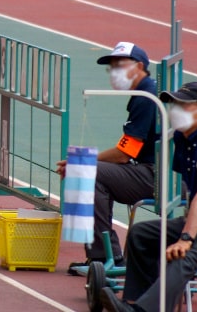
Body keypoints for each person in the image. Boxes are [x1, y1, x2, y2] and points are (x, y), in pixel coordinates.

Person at [101, 82, 197, 312]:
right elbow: (189, 186)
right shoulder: (183, 138)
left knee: (184, 254)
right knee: (141, 234)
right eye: (174, 103)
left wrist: (186, 237)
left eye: (184, 105)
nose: (175, 109)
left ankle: (144, 311)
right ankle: (134, 301)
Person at [58, 42, 158, 271]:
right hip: (153, 171)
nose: (114, 72)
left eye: (119, 66)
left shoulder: (146, 96)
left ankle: (105, 258)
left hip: (159, 176)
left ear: (139, 66)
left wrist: (79, 163)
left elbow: (124, 154)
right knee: (92, 173)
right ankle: (104, 256)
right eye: (111, 68)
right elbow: (127, 148)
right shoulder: (144, 93)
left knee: (89, 173)